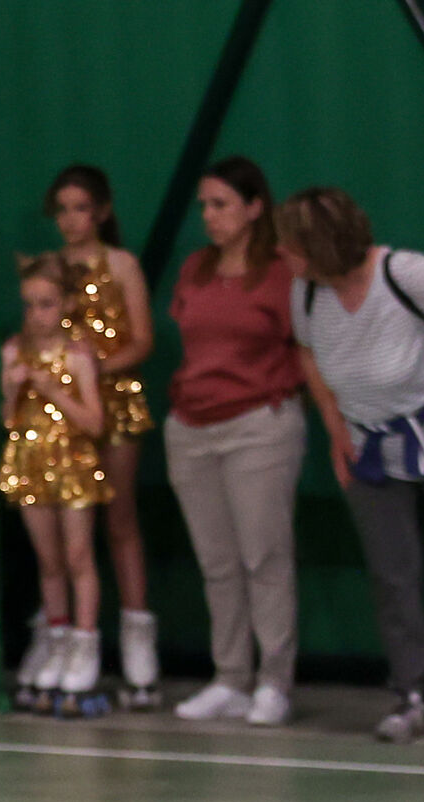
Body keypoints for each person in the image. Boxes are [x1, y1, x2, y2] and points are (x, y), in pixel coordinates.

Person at [283, 186, 424, 743]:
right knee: (393, 577)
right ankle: (411, 696)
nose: (283, 257)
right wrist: (337, 430)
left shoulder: (405, 274)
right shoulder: (307, 293)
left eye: (291, 246)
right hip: (371, 452)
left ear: (321, 246)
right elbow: (307, 352)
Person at [164, 157, 303, 727]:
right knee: (217, 563)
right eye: (204, 205)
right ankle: (230, 678)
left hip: (259, 427)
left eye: (221, 204)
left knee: (263, 556)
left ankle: (274, 682)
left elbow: (308, 348)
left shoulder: (281, 271)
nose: (210, 216)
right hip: (191, 428)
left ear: (253, 207)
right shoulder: (196, 267)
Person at [47, 164, 159, 706]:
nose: (71, 220)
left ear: (103, 211)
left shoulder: (122, 265)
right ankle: (68, 637)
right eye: (63, 209)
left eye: (81, 208)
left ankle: (138, 639)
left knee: (119, 517)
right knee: (67, 527)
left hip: (114, 404)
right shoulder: (47, 271)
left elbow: (142, 340)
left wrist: (98, 367)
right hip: (58, 413)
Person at [0, 253, 111, 708]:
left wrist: (52, 391)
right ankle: (57, 640)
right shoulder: (13, 351)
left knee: (78, 555)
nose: (35, 314)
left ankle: (85, 646)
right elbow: (8, 419)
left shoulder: (79, 355)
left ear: (65, 304)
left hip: (73, 466)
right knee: (48, 561)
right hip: (30, 464)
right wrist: (12, 388)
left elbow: (96, 423)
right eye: (29, 304)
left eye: (45, 304)